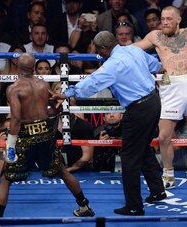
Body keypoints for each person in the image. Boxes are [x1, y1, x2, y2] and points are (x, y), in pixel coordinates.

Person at [50, 31, 166, 216]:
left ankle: (134, 206)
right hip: (154, 101)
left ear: (104, 48)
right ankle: (157, 191)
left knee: (129, 157)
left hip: (139, 110)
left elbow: (91, 83)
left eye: (98, 50)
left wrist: (67, 93)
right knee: (143, 148)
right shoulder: (133, 50)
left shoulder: (112, 65)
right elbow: (156, 65)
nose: (98, 54)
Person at [0, 53, 94, 218]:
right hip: (45, 133)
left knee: (6, 178)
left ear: (17, 66)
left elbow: (16, 118)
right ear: (33, 67)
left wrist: (10, 144)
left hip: (25, 136)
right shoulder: (43, 84)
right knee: (62, 171)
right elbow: (54, 109)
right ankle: (84, 206)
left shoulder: (14, 88)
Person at [133, 5, 187, 190]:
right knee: (165, 135)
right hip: (169, 85)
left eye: (168, 19)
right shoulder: (154, 36)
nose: (164, 22)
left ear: (178, 20)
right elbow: (133, 50)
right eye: (162, 19)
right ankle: (168, 173)